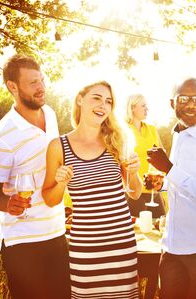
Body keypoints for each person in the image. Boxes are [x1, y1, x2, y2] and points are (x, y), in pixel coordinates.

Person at [42, 81, 142, 299]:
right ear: (80, 99)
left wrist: (133, 172)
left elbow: (135, 192)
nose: (103, 105)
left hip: (120, 242)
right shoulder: (58, 146)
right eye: (96, 98)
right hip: (86, 245)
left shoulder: (117, 140)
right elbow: (49, 199)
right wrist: (61, 183)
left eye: (108, 101)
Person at [146, 78, 196, 299]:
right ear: (172, 103)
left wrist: (169, 170)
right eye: (184, 99)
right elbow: (184, 188)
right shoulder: (179, 136)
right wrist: (162, 184)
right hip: (172, 247)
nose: (191, 105)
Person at [0, 54, 70, 299]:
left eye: (41, 80)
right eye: (32, 83)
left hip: (56, 232)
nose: (41, 88)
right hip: (23, 243)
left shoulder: (49, 114)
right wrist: (8, 204)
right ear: (12, 87)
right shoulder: (4, 135)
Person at [125, 93, 166, 218]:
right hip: (133, 190)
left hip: (152, 188)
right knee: (139, 231)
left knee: (161, 223)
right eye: (143, 106)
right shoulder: (124, 130)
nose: (147, 109)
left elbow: (162, 153)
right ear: (132, 108)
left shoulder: (152, 129)